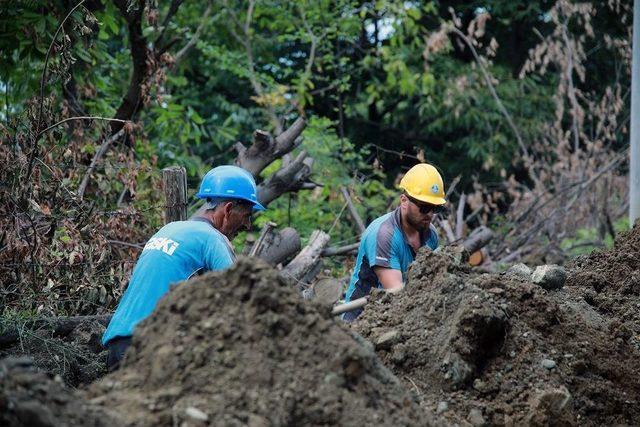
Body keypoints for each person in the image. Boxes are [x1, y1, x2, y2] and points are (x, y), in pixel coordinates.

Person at [102, 165, 265, 370]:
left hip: (118, 343)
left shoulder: (169, 230)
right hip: (151, 347)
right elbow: (239, 295)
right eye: (247, 215)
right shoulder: (212, 239)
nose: (248, 225)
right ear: (229, 209)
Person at [342, 163, 447, 321]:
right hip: (362, 320)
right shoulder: (384, 235)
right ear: (404, 201)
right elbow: (397, 295)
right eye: (424, 208)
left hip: (402, 316)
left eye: (435, 208)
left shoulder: (431, 234)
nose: (430, 214)